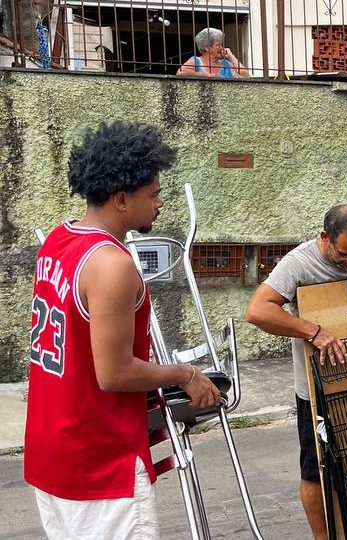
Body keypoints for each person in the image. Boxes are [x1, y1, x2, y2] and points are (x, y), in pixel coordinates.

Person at [24, 121, 221, 540]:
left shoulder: (58, 241)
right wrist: (185, 374)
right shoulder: (113, 265)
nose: (160, 203)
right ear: (120, 199)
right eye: (152, 195)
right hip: (98, 461)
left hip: (51, 447)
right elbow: (113, 373)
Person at [244, 205, 347, 540]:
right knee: (315, 468)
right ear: (325, 237)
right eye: (343, 254)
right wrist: (313, 331)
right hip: (317, 390)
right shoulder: (299, 263)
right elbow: (257, 310)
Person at [176, 28, 250, 79]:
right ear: (207, 47)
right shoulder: (196, 61)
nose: (221, 48)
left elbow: (246, 76)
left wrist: (231, 56)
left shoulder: (226, 64)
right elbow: (180, 73)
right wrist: (205, 75)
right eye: (218, 45)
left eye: (222, 45)